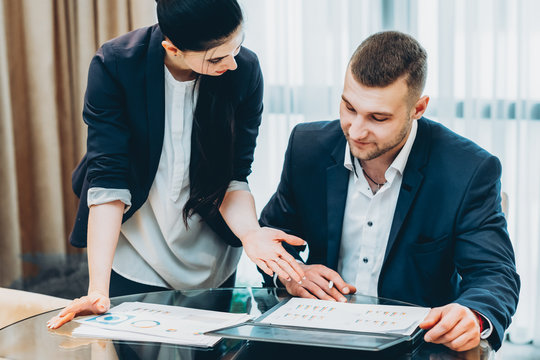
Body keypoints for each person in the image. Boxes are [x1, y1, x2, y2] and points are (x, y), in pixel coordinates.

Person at [47, 0, 305, 330]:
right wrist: (98, 288)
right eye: (217, 58)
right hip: (136, 252)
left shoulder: (245, 71)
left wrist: (252, 234)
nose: (233, 63)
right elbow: (107, 180)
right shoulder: (115, 65)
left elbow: (235, 177)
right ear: (173, 48)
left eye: (236, 47)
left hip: (211, 254)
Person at [258, 31, 519, 352]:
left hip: (414, 347)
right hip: (313, 339)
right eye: (349, 107)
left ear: (418, 108)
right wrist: (292, 273)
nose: (355, 130)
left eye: (378, 118)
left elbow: (493, 272)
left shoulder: (467, 170)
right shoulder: (307, 145)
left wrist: (473, 316)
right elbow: (273, 235)